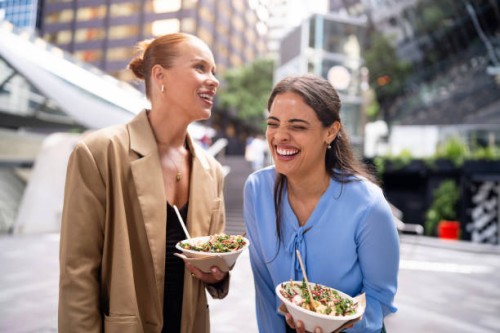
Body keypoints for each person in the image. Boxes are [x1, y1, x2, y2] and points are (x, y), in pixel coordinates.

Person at [59, 32, 229, 333]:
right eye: (200, 68)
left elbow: (212, 260)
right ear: (160, 75)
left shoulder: (212, 170)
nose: (213, 80)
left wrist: (217, 275)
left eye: (213, 71)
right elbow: (78, 273)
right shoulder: (99, 152)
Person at [243, 74, 399, 333]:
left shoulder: (368, 204)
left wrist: (332, 326)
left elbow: (379, 299)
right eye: (273, 123)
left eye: (298, 126)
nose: (280, 136)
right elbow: (265, 290)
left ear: (330, 131)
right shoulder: (257, 190)